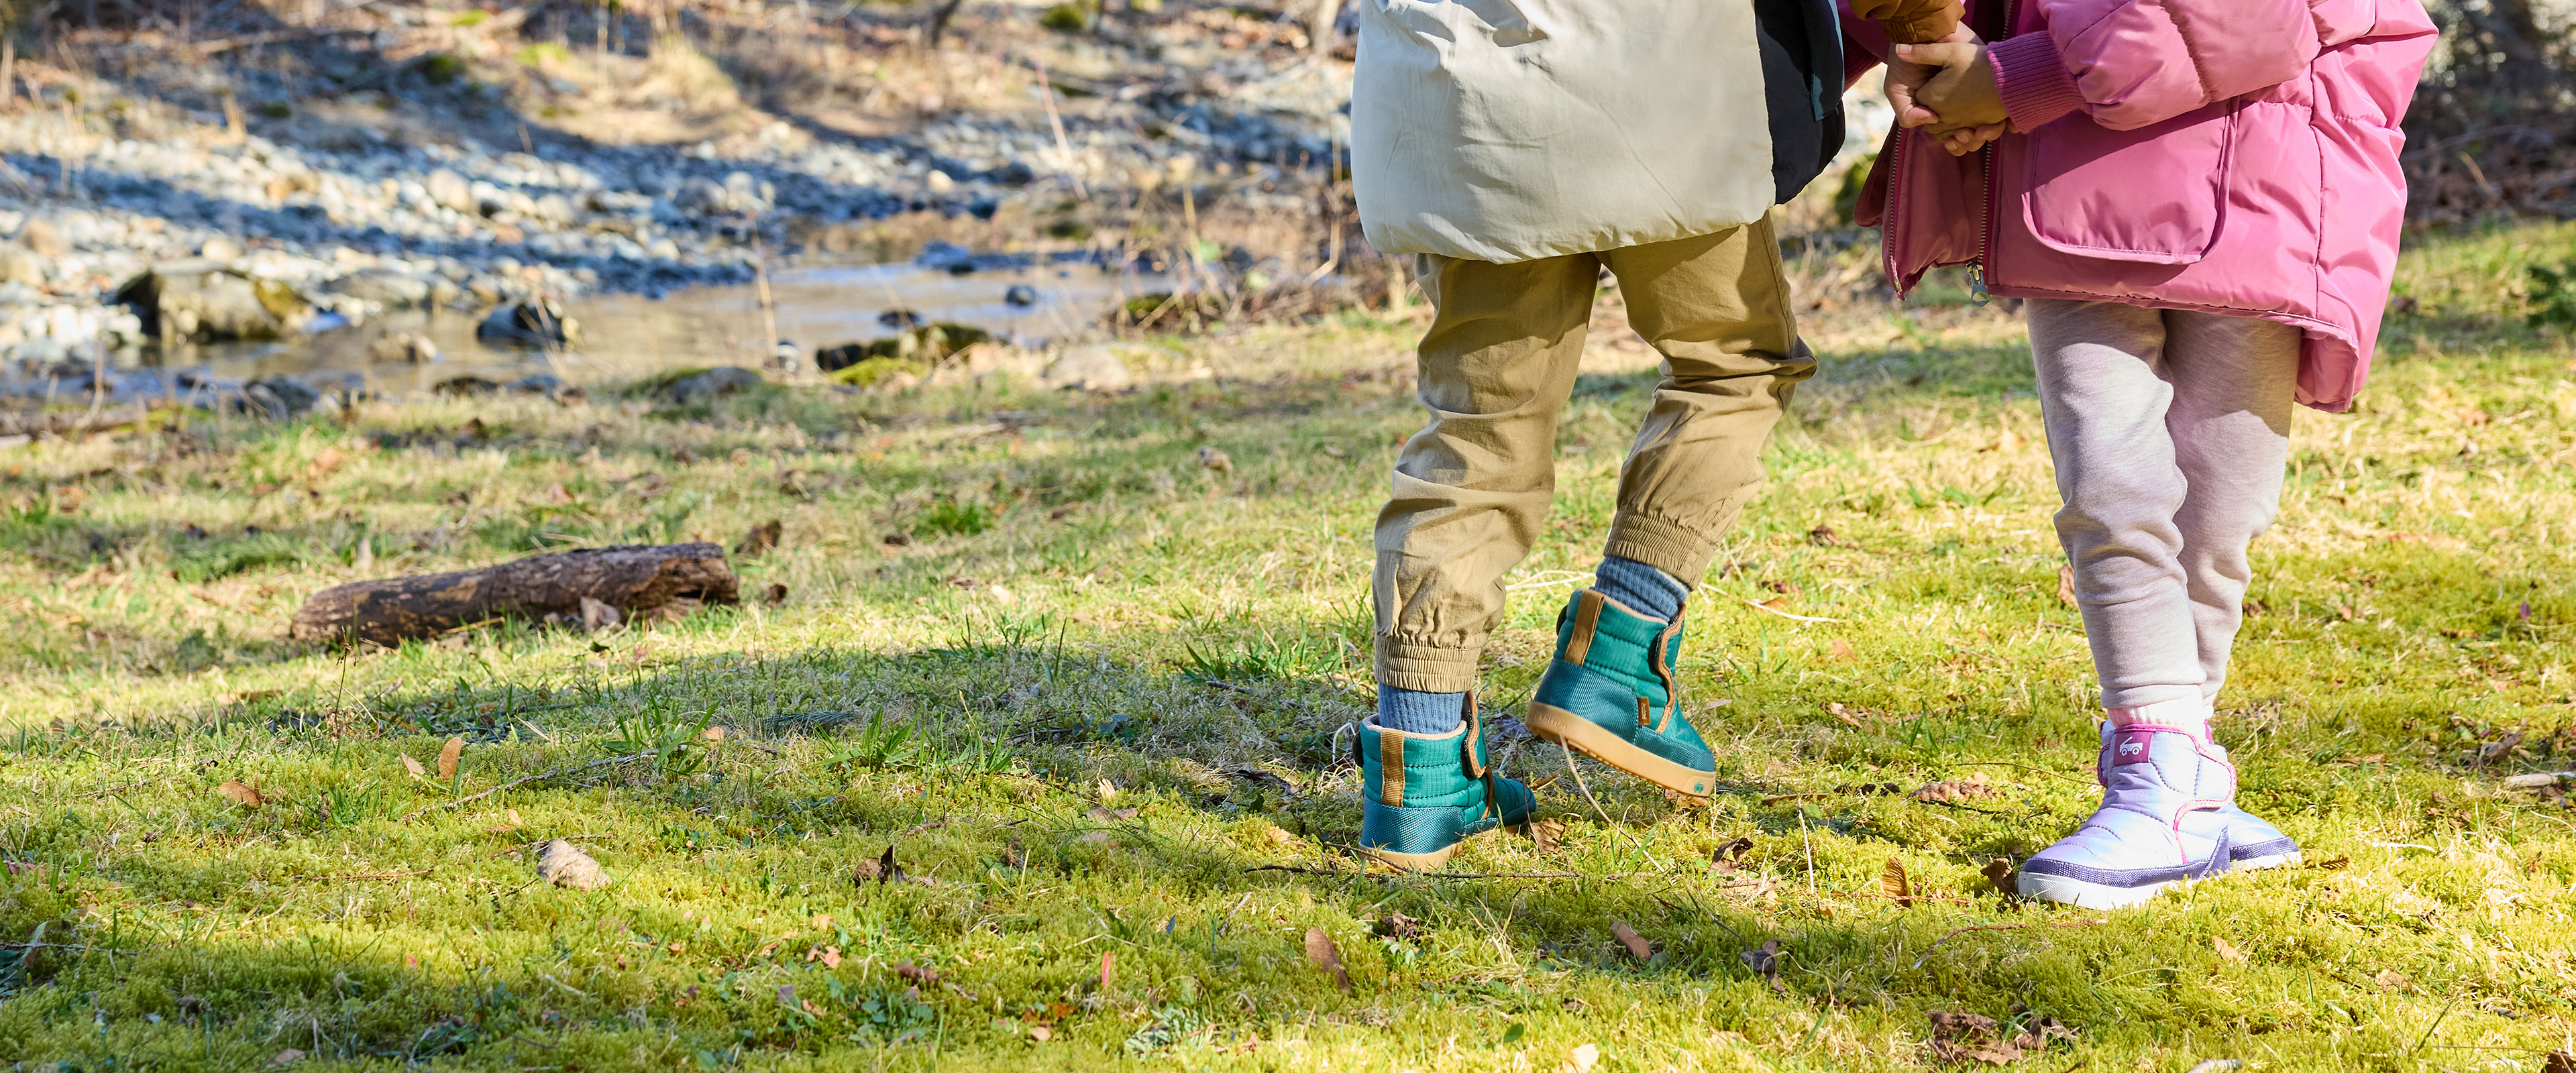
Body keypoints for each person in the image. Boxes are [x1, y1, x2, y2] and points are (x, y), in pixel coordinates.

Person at [1344, 0, 1964, 870]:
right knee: (1735, 366)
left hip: (1461, 104)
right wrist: (1927, 31)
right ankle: (1621, 652)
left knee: (1477, 436)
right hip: (1663, 87)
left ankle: (1421, 784)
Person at [1843, 0, 2435, 906]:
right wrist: (1917, 45)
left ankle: (2184, 768)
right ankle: (2156, 766)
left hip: (2260, 180)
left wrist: (2010, 80)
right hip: (2068, 187)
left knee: (2221, 507)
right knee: (2110, 483)